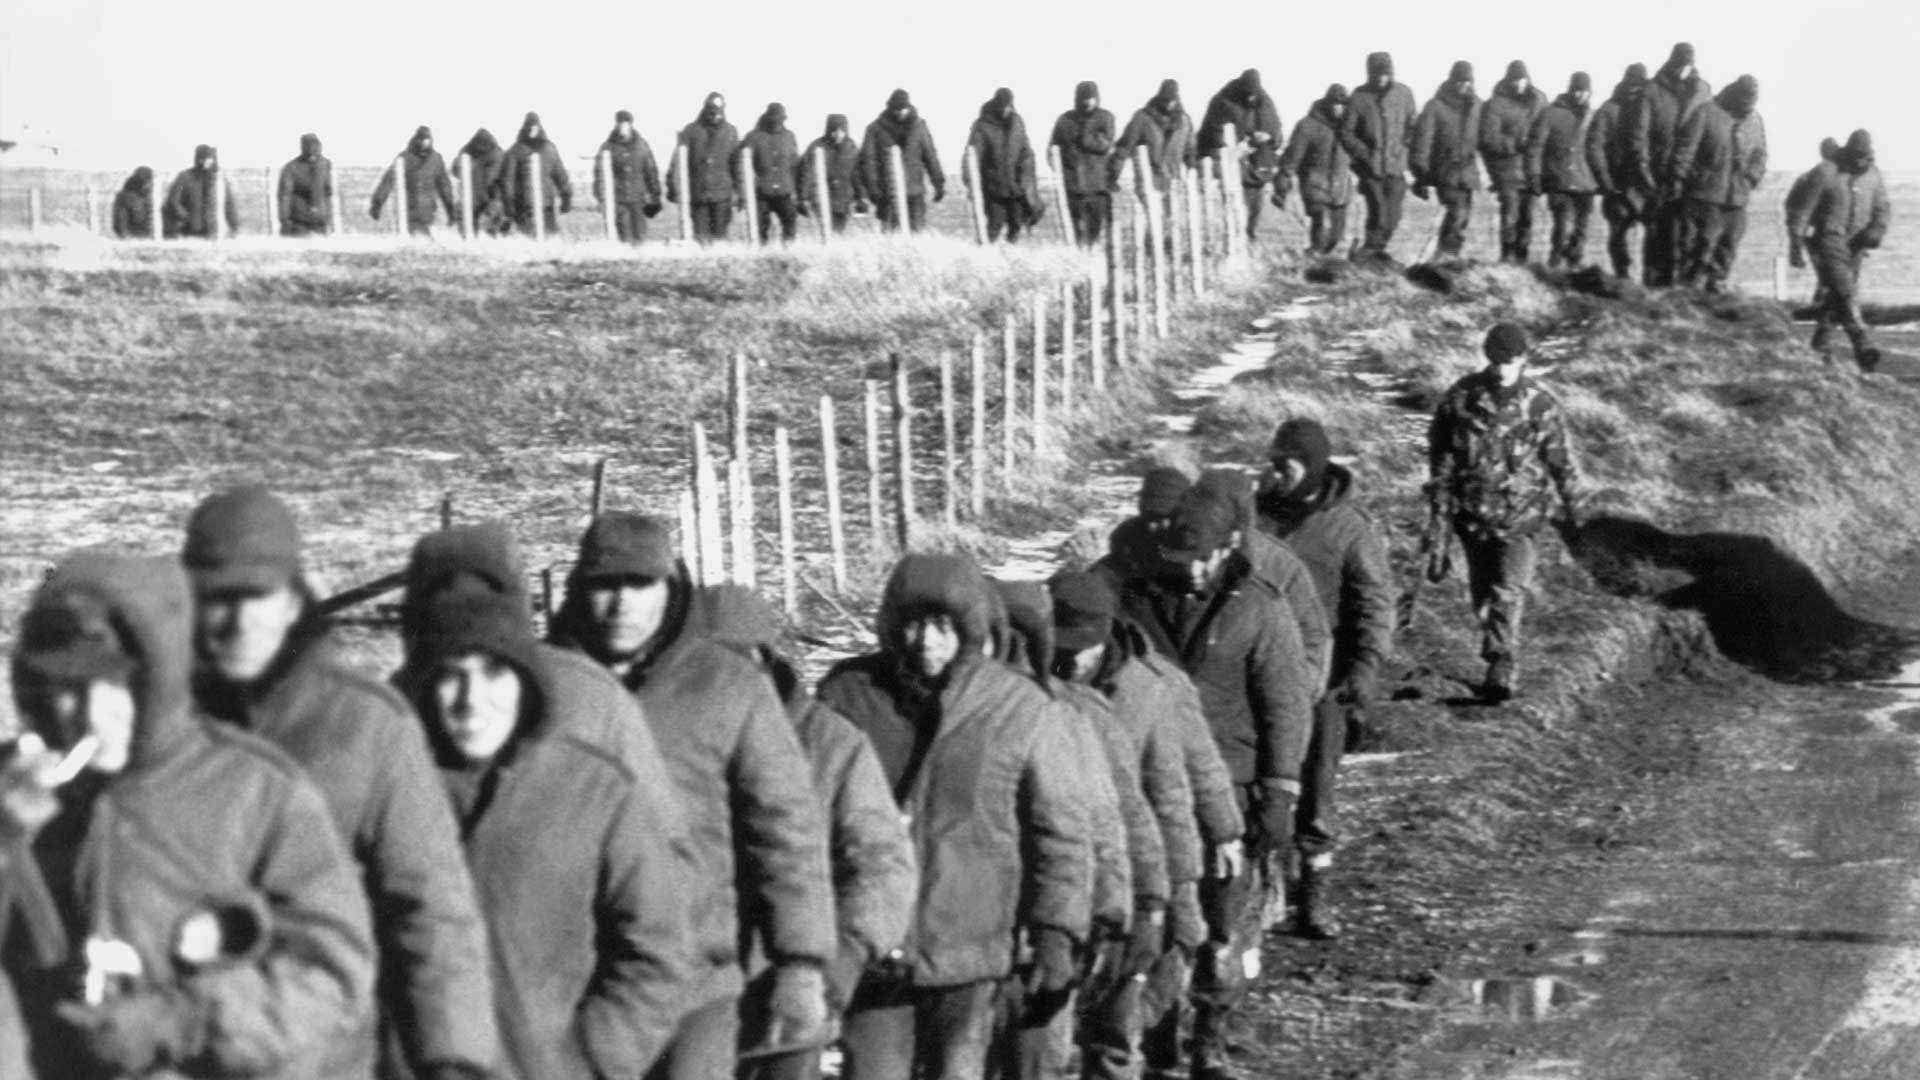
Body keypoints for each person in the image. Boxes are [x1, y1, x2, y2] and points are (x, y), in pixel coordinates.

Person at [2, 550, 375, 1079]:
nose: (90, 713)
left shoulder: (256, 792)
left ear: (158, 676)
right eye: (69, 686)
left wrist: (185, 1019)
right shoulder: (17, 791)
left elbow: (332, 974)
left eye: (116, 684)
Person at [178, 487, 496, 1080]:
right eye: (219, 598)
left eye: (258, 596)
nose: (240, 621)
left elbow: (430, 911)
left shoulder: (367, 727)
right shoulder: (156, 725)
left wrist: (452, 1059)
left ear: (295, 600)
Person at [548, 513, 834, 1080]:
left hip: (695, 977)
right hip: (572, 981)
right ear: (579, 591)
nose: (621, 604)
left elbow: (786, 828)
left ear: (670, 588)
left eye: (639, 586)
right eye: (605, 586)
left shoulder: (729, 685)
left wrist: (800, 962)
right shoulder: (542, 684)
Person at [815, 554, 1092, 1080]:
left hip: (969, 946)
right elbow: (806, 812)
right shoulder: (849, 695)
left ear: (970, 629)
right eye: (913, 623)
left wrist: (1057, 929)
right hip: (872, 948)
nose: (925, 640)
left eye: (943, 625)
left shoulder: (1017, 708)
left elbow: (1059, 829)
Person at [405, 583, 696, 1079]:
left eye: (494, 673)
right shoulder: (387, 789)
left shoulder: (596, 791)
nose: (472, 701)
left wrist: (588, 1059)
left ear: (525, 679)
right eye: (451, 677)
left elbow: (659, 952)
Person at [1115, 485, 1314, 1080]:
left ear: (1230, 547)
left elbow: (1286, 706)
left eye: (1203, 557)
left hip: (1236, 788)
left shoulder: (1261, 610)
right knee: (1160, 916)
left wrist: (1280, 792)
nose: (1192, 570)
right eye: (1182, 557)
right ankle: (1155, 1038)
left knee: (1224, 925)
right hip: (1155, 791)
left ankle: (1212, 1037)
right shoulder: (1135, 599)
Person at [696, 587, 918, 1080]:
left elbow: (881, 864)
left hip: (787, 1000)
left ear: (766, 660)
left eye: (737, 661)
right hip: (684, 1004)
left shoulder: (831, 746)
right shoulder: (660, 737)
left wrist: (841, 959)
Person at [1047, 572, 1199, 1080]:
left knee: (1117, 1026)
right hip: (1064, 882)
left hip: (1134, 878)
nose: (1070, 661)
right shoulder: (1031, 695)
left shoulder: (1148, 690)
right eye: (1060, 647)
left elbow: (1167, 795)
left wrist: (1177, 894)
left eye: (1082, 649)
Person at [1253, 419, 1395, 939]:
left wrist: (1363, 669)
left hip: (1325, 681)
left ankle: (1313, 897)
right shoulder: (1257, 516)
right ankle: (1265, 893)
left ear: (1311, 466)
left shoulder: (1348, 527)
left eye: (1286, 463)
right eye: (1272, 462)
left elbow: (1374, 602)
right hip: (1260, 674)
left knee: (1316, 792)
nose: (1275, 472)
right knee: (1264, 784)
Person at [1427, 323, 1581, 702]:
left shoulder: (1538, 404)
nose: (1500, 369)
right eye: (1494, 361)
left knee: (1507, 590)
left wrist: (1575, 510)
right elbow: (1440, 459)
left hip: (1520, 517)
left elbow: (1559, 459)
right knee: (1482, 595)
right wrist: (1439, 518)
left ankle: (1502, 662)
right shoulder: (1460, 398)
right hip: (1472, 517)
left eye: (1508, 361)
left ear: (1524, 360)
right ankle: (1496, 649)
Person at [1787, 129, 1890, 371]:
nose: (1860, 162)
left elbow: (1883, 208)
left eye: (1865, 157)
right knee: (1845, 291)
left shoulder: (1873, 175)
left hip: (1856, 244)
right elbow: (1802, 211)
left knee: (1835, 297)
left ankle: (1820, 345)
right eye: (1856, 156)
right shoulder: (1826, 172)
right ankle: (1863, 344)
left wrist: (1876, 231)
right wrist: (1795, 244)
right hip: (1827, 239)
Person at [1669, 74, 1766, 292]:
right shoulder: (1706, 113)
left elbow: (1761, 154)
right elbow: (1685, 150)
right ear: (1734, 94)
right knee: (1702, 241)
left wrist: (1752, 176)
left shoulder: (1755, 120)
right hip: (1705, 192)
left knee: (1730, 242)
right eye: (1745, 100)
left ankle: (1717, 281)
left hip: (1738, 194)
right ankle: (1690, 285)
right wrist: (1680, 178)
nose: (1748, 106)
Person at [1631, 43, 1713, 287]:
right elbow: (1640, 132)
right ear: (1671, 63)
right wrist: (1643, 166)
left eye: (1687, 66)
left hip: (1690, 173)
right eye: (1679, 66)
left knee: (1688, 231)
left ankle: (1684, 286)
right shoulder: (1652, 90)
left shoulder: (1702, 90)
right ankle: (1655, 282)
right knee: (1658, 230)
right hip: (1658, 172)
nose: (1683, 71)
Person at [1341, 52, 1418, 257]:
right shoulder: (1358, 97)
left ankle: (1374, 252)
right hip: (1370, 168)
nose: (1381, 78)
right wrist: (1363, 153)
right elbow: (1346, 132)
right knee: (1378, 214)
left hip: (1396, 166)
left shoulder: (1404, 94)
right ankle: (1370, 253)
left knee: (1393, 216)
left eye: (1385, 73)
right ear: (1370, 73)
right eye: (1377, 74)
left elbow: (1412, 124)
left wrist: (1405, 146)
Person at [1199, 69, 1283, 242]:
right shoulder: (1223, 102)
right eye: (1248, 94)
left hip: (1258, 164)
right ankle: (1234, 239)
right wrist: (1238, 144)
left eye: (1254, 94)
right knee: (1235, 205)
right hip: (1231, 163)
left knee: (1255, 207)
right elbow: (1211, 133)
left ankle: (1249, 238)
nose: (1251, 98)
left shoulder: (1266, 103)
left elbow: (1276, 132)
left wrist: (1269, 137)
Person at [1528, 73, 1600, 270]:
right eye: (1576, 90)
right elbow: (1535, 147)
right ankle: (1555, 264)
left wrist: (1603, 178)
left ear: (1590, 93)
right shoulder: (1551, 113)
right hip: (1558, 179)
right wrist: (1534, 175)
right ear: (1570, 90)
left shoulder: (1593, 117)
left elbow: (1599, 149)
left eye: (1584, 91)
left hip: (1586, 182)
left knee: (1581, 229)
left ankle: (1574, 267)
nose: (1579, 95)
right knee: (1561, 227)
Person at [1411, 62, 1481, 259]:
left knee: (1463, 218)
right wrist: (1421, 173)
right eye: (1460, 81)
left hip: (1467, 172)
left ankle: (1449, 257)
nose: (1464, 86)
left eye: (1468, 81)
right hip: (1445, 170)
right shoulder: (1435, 106)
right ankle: (1445, 257)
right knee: (1456, 213)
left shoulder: (1476, 106)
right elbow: (1422, 141)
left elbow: (1483, 136)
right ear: (1452, 81)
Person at [1587, 64, 1651, 279]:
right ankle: (1622, 275)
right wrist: (1604, 180)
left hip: (1645, 183)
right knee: (1618, 231)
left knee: (1653, 233)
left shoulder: (1649, 109)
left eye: (1639, 86)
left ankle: (1649, 278)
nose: (1634, 90)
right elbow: (1594, 146)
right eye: (1632, 85)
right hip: (1616, 182)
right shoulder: (1609, 110)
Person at [1479, 61, 1547, 263]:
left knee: (1527, 218)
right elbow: (1489, 138)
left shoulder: (1539, 101)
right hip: (1506, 169)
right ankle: (1507, 258)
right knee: (1510, 216)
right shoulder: (1495, 104)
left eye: (1522, 80)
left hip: (1531, 169)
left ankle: (1522, 259)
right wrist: (1517, 143)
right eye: (1515, 80)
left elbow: (1545, 133)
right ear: (1508, 81)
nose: (1519, 84)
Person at [1275, 84, 1352, 256]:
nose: (1338, 108)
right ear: (1326, 103)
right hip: (1314, 187)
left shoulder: (1350, 129)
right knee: (1322, 229)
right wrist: (1282, 184)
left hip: (1341, 191)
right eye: (1334, 104)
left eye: (1342, 104)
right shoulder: (1307, 126)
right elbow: (1291, 158)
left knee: (1335, 238)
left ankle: (1317, 265)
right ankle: (1312, 261)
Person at [860, 89, 946, 233]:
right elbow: (868, 162)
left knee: (917, 231)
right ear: (890, 108)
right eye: (897, 109)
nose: (900, 112)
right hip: (887, 192)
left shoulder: (919, 127)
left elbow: (930, 156)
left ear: (909, 107)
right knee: (889, 234)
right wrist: (873, 189)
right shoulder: (875, 129)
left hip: (914, 191)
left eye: (903, 109)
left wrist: (938, 183)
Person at [967, 88, 1041, 242]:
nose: (1005, 110)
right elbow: (972, 157)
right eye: (1002, 106)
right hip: (993, 188)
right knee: (994, 226)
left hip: (1016, 188)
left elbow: (1025, 150)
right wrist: (970, 182)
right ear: (995, 105)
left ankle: (1009, 258)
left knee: (1016, 225)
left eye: (1008, 106)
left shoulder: (1017, 123)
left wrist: (1026, 178)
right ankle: (984, 258)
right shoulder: (982, 126)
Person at [669, 93, 742, 244]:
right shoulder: (690, 131)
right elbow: (677, 163)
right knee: (701, 236)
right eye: (712, 110)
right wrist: (673, 189)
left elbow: (737, 164)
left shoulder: (730, 132)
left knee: (720, 237)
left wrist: (740, 192)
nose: (715, 115)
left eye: (718, 110)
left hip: (722, 194)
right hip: (698, 194)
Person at [1052, 81, 1118, 246]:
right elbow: (1053, 148)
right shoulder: (1065, 120)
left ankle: (1090, 253)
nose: (1088, 102)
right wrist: (1064, 164)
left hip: (1098, 186)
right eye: (1084, 98)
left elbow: (1106, 144)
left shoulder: (1105, 118)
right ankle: (1078, 256)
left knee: (1095, 227)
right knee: (1076, 228)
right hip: (1073, 185)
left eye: (1091, 98)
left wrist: (1086, 134)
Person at [1116, 79, 1195, 203]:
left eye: (1173, 100)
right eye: (1166, 100)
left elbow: (1191, 152)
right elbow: (1124, 148)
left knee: (1172, 220)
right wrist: (1112, 176)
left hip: (1174, 183)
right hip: (1149, 182)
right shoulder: (1142, 118)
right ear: (1159, 98)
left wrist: (1193, 173)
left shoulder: (1184, 122)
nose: (1170, 104)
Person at [371, 125, 458, 236]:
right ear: (416, 140)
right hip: (411, 210)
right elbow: (388, 181)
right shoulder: (405, 158)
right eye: (422, 140)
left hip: (426, 211)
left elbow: (445, 187)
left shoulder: (435, 159)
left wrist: (451, 211)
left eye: (427, 140)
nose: (425, 143)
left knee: (422, 241)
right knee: (422, 240)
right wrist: (377, 204)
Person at [495, 111, 571, 237]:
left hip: (535, 204)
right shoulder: (547, 148)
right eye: (530, 127)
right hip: (533, 204)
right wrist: (566, 197)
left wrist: (509, 205)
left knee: (530, 237)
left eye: (533, 127)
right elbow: (507, 181)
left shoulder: (517, 149)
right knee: (546, 237)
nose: (532, 131)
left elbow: (506, 180)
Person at [597, 109, 664, 245]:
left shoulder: (641, 146)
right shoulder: (607, 147)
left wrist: (655, 195)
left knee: (640, 236)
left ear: (631, 125)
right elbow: (600, 175)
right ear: (616, 125)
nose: (623, 127)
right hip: (618, 200)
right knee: (623, 236)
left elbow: (650, 171)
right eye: (620, 123)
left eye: (626, 123)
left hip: (638, 199)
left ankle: (639, 260)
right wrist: (602, 198)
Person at [744, 102, 802, 243]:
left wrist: (794, 188)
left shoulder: (789, 136)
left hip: (784, 190)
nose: (776, 123)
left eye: (780, 119)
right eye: (773, 119)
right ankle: (760, 253)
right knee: (759, 226)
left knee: (790, 221)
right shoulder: (754, 137)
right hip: (761, 191)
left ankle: (788, 251)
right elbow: (742, 162)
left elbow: (795, 163)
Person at [800, 114, 866, 234]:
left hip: (844, 196)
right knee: (823, 229)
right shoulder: (817, 146)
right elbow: (807, 173)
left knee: (839, 230)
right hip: (821, 196)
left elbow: (857, 174)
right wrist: (804, 196)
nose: (838, 134)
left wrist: (861, 195)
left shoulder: (851, 147)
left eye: (841, 131)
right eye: (834, 131)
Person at [162, 143, 238, 239]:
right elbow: (173, 201)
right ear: (198, 159)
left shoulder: (218, 179)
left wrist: (234, 226)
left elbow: (229, 204)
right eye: (204, 158)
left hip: (212, 231)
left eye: (210, 159)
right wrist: (186, 217)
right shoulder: (185, 177)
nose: (207, 162)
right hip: (189, 231)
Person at [276, 132, 333, 237]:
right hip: (299, 223)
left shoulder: (324, 164)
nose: (313, 149)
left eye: (315, 146)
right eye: (309, 146)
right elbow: (285, 196)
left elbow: (327, 193)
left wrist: (329, 220)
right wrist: (285, 221)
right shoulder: (291, 168)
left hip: (321, 222)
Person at [455, 128, 509, 235]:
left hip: (474, 196)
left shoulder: (466, 151)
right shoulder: (497, 152)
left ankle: (471, 242)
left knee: (469, 227)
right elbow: (502, 177)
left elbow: (455, 170)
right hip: (490, 195)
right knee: (493, 226)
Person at [110, 166, 154, 239]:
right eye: (147, 182)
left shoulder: (148, 195)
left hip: (145, 234)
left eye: (149, 182)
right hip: (132, 234)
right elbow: (120, 221)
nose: (149, 185)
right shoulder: (125, 196)